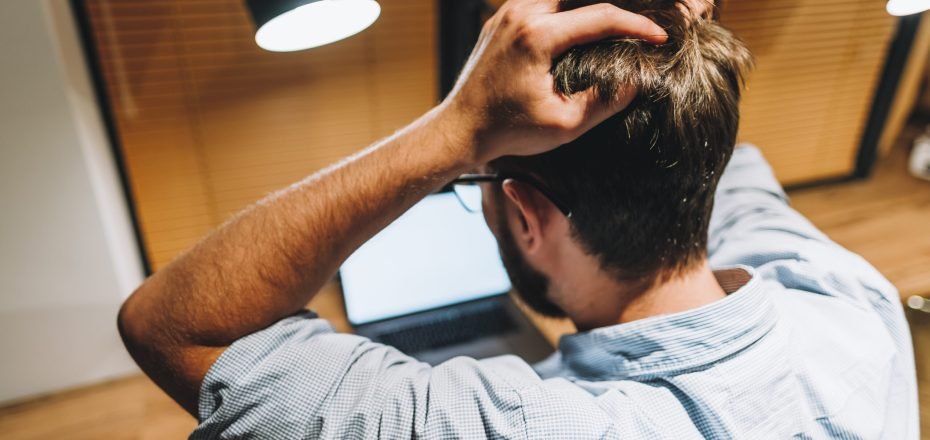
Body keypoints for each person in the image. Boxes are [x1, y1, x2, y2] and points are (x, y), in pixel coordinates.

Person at [117, 0, 919, 438]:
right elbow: (721, 158)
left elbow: (173, 328)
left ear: (527, 213)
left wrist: (455, 127)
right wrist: (676, 42)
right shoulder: (843, 296)